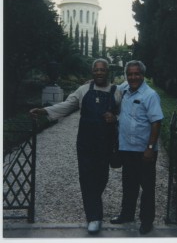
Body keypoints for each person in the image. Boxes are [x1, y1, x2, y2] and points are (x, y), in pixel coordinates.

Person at [30, 58, 121, 234]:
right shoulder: (83, 90)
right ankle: (94, 217)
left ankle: (94, 207)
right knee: (86, 179)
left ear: (107, 71)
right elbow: (67, 105)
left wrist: (115, 118)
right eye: (96, 70)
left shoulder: (116, 92)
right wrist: (44, 111)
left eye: (102, 70)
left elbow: (123, 114)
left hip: (105, 143)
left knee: (102, 178)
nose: (99, 73)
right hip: (85, 143)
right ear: (92, 72)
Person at [110, 60, 164, 235]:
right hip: (126, 149)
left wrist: (150, 147)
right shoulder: (124, 89)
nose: (133, 77)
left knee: (147, 187)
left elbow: (156, 122)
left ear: (143, 75)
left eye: (137, 74)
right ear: (126, 75)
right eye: (130, 74)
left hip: (144, 151)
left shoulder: (150, 95)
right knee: (128, 184)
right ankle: (127, 214)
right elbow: (111, 89)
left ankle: (146, 221)